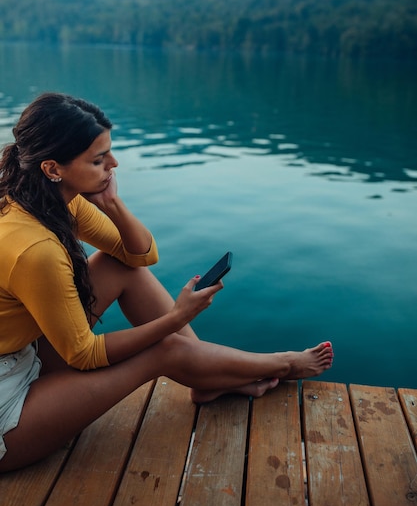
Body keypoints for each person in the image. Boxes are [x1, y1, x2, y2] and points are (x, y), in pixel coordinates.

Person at [0, 92, 333, 472]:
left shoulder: (44, 198)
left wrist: (112, 204)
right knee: (165, 349)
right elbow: (84, 354)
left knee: (121, 268)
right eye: (98, 159)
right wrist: (175, 318)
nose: (113, 163)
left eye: (108, 152)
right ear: (53, 168)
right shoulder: (34, 248)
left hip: (21, 357)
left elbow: (139, 256)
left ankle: (207, 376)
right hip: (6, 407)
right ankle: (280, 364)